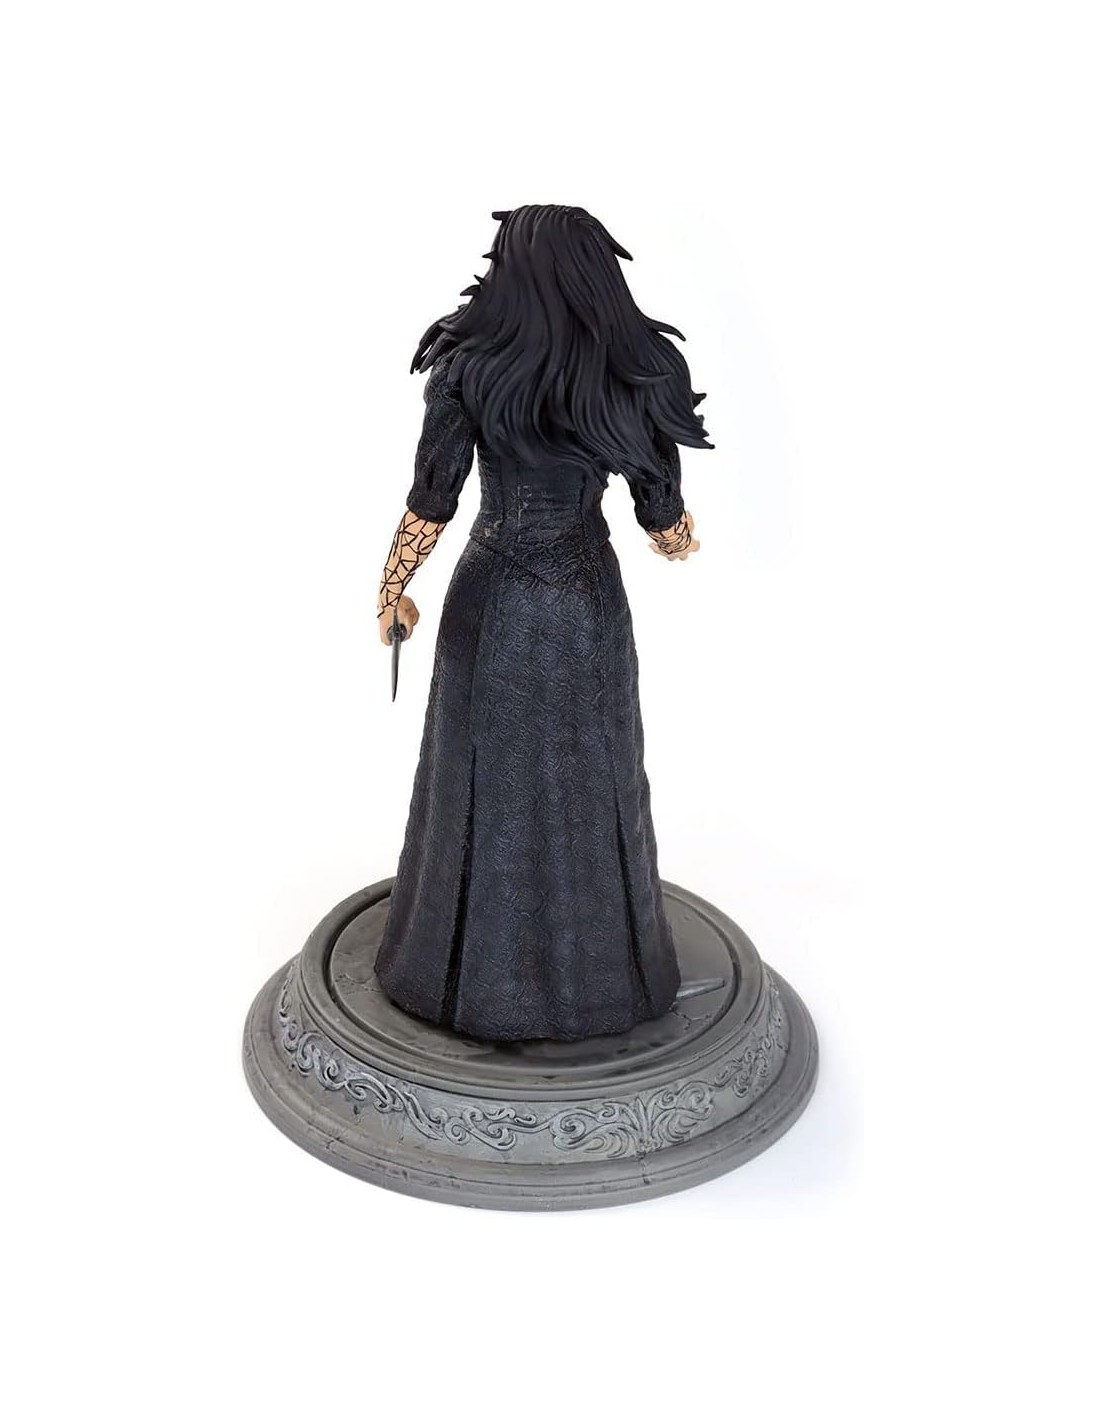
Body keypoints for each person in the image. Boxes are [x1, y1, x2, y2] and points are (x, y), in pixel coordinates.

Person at [373, 205, 711, 1042]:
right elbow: (665, 524)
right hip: (585, 601)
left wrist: (391, 588)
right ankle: (598, 981)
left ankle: (456, 976)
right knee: (591, 786)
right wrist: (681, 539)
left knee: (476, 784)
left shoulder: (467, 366)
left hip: (490, 598)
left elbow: (432, 501)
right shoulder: (631, 369)